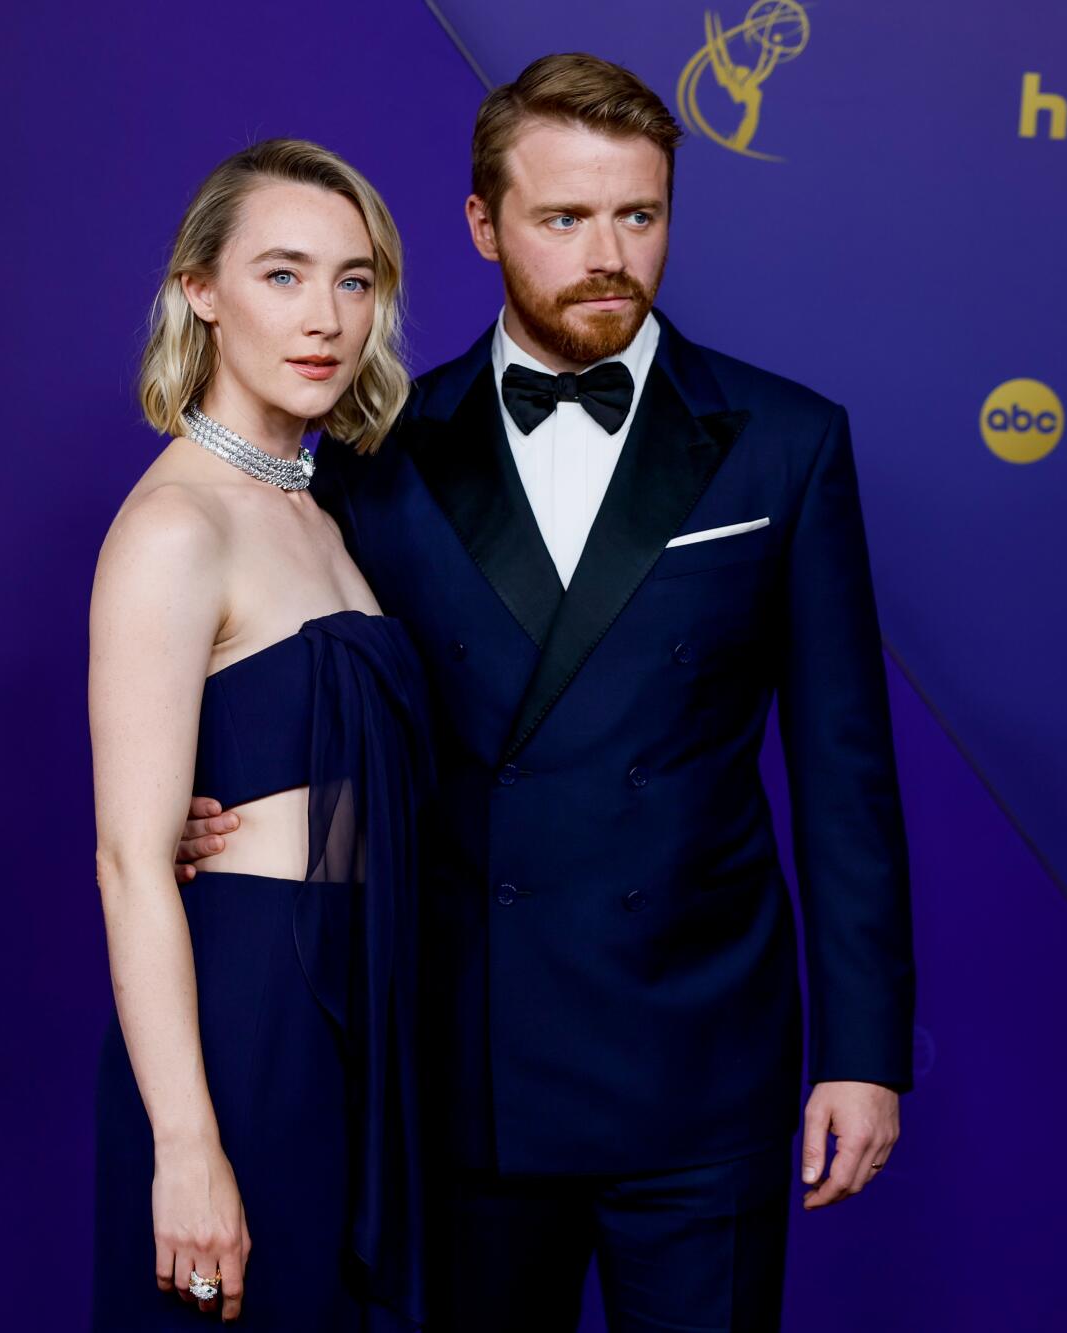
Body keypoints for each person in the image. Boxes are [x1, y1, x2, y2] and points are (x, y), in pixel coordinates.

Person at [180, 54, 916, 1331]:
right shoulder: (377, 454)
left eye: (638, 215)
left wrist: (861, 1050)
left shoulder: (785, 440)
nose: (608, 254)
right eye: (563, 218)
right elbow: (324, 693)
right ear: (481, 224)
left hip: (699, 1063)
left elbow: (843, 770)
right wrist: (237, 816)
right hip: (459, 1056)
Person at [89, 138, 431, 1330]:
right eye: (282, 275)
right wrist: (185, 1145)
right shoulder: (175, 525)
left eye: (354, 280)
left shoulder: (320, 510)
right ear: (200, 291)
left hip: (363, 991)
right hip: (254, 1004)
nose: (325, 317)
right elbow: (130, 858)